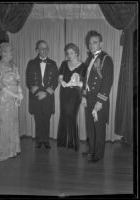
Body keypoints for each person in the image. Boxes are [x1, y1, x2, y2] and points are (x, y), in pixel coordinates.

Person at [82, 30, 114, 162]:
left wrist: (100, 102)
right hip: (89, 97)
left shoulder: (106, 59)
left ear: (101, 43)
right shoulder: (89, 59)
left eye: (94, 42)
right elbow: (85, 78)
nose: (91, 45)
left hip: (99, 99)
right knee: (90, 126)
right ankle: (91, 150)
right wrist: (84, 95)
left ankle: (98, 154)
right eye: (90, 43)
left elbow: (107, 82)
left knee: (99, 128)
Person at [0, 42, 23, 161]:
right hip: (3, 99)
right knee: (3, 123)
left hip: (13, 98)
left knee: (12, 122)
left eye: (12, 50)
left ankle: (12, 149)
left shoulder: (13, 65)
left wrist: (20, 93)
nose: (12, 53)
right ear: (3, 53)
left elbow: (18, 81)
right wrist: (14, 94)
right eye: (10, 51)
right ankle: (3, 151)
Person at [26, 40, 58, 149]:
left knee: (46, 119)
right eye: (41, 48)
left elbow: (55, 81)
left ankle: (46, 140)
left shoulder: (53, 63)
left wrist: (46, 93)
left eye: (46, 48)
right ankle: (39, 140)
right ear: (37, 50)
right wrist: (37, 92)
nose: (44, 50)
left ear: (48, 50)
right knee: (38, 118)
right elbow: (28, 80)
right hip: (36, 96)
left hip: (47, 96)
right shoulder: (31, 63)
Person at [57, 43, 86, 151]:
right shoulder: (64, 64)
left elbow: (84, 82)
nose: (69, 55)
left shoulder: (83, 66)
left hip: (75, 94)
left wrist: (79, 84)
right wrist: (62, 81)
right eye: (68, 53)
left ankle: (72, 142)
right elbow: (59, 77)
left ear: (77, 53)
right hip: (64, 93)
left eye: (72, 53)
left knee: (72, 115)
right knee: (64, 115)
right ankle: (63, 141)